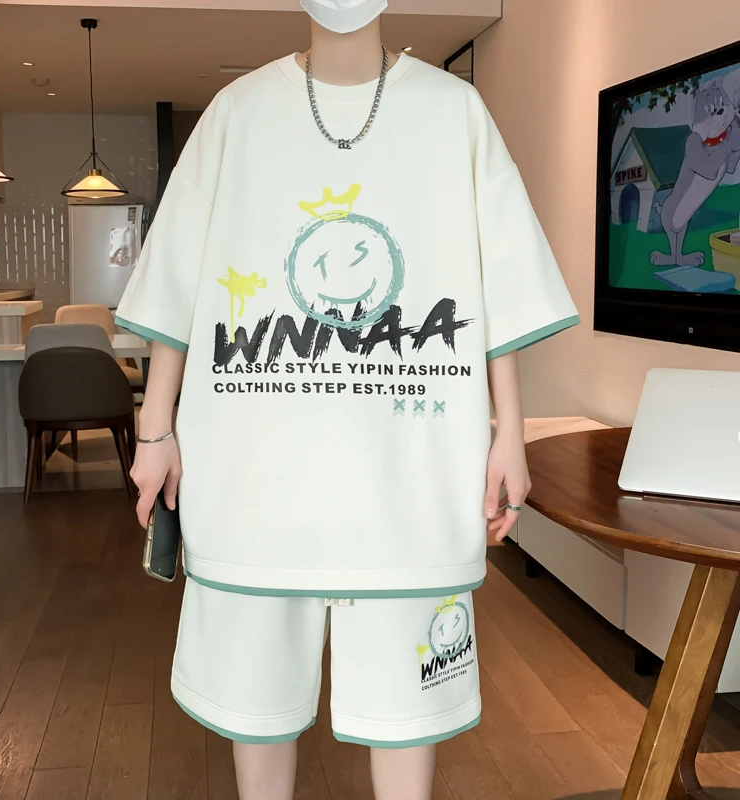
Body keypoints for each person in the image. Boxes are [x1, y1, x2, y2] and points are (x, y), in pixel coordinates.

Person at [117, 0, 578, 797]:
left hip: (409, 475)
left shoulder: (454, 113)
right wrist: (155, 428)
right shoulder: (237, 113)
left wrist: (510, 430)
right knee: (257, 708)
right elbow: (178, 281)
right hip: (257, 470)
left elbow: (498, 278)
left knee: (406, 713)